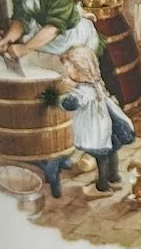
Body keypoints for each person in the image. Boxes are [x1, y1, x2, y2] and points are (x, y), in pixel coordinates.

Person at [51, 46, 136, 198]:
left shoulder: (83, 90)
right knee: (111, 151)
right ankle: (114, 179)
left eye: (68, 68)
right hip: (106, 124)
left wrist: (55, 99)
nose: (66, 71)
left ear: (79, 70)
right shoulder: (96, 83)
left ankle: (102, 187)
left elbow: (70, 104)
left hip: (96, 128)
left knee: (100, 156)